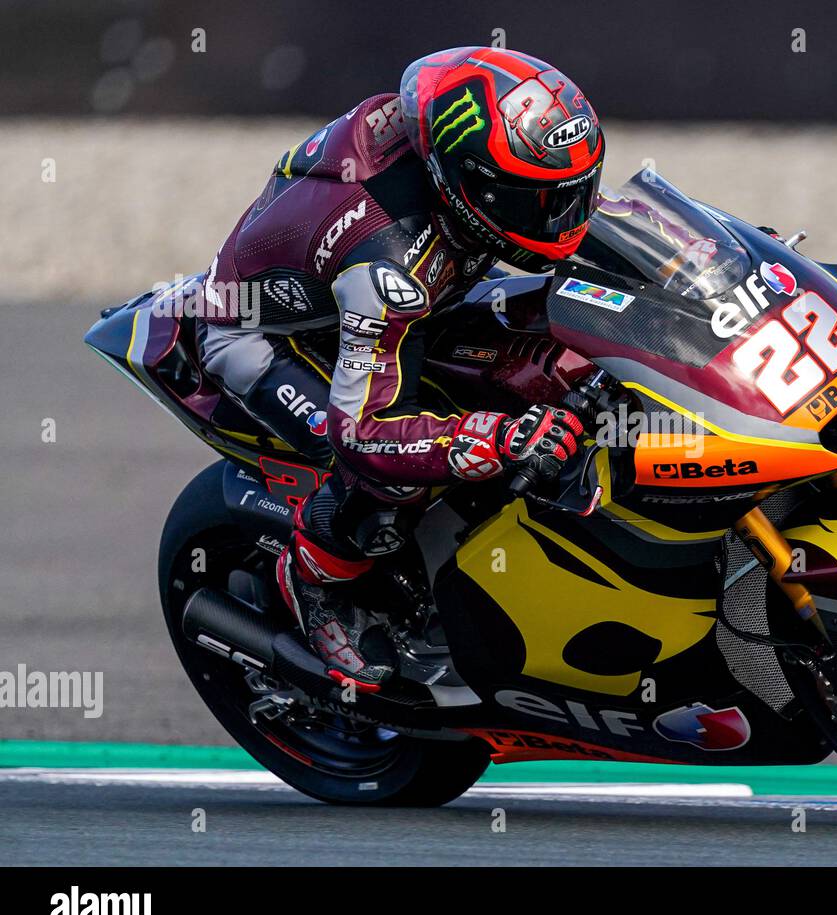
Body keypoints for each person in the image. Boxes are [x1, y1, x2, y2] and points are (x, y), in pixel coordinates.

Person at [194, 47, 603, 690]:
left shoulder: (445, 136)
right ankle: (314, 579)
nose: (562, 217)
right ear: (465, 184)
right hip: (262, 336)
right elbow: (365, 433)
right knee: (399, 470)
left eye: (574, 193)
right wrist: (489, 439)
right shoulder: (386, 269)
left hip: (370, 283)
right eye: (534, 201)